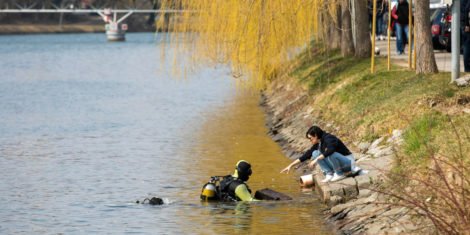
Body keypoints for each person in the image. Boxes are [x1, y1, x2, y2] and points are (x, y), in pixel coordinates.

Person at [280, 126, 360, 183]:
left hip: (348, 163)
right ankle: (329, 174)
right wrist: (291, 165)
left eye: (310, 138)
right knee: (314, 153)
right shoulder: (319, 143)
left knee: (331, 154)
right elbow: (306, 156)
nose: (310, 140)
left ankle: (339, 174)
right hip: (339, 164)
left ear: (316, 135)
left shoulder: (329, 138)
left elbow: (330, 150)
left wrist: (316, 159)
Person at [462, 0, 470, 72]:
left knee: (465, 45)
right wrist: (467, 24)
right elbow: (467, 9)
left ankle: (467, 68)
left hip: (459, 21)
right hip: (465, 24)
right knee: (467, 45)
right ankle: (467, 68)